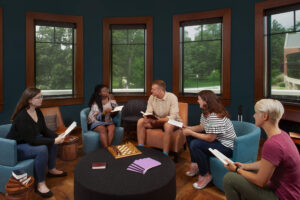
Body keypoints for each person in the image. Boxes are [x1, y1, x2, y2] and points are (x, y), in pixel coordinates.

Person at [223, 99, 300, 200]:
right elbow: (267, 163)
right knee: (243, 173)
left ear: (265, 116)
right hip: (286, 189)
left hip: (284, 196)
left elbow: (261, 182)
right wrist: (245, 166)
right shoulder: (282, 135)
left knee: (229, 179)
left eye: (256, 113)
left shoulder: (272, 144)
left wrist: (237, 169)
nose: (254, 116)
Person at [6, 88, 66, 198]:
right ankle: (41, 184)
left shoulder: (37, 111)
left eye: (41, 96)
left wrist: (57, 137)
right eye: (38, 97)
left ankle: (52, 170)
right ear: (29, 100)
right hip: (14, 148)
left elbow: (45, 130)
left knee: (52, 142)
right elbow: (32, 140)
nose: (41, 99)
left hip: (27, 143)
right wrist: (53, 140)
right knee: (42, 148)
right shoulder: (22, 117)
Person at [182, 90, 236, 189]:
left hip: (227, 147)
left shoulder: (215, 116)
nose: (197, 101)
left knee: (195, 144)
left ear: (205, 102)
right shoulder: (205, 112)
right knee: (190, 136)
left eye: (199, 99)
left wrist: (191, 132)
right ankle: (195, 164)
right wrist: (188, 128)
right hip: (217, 141)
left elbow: (210, 138)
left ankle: (205, 175)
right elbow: (202, 127)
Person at [137, 80, 181, 155]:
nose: (151, 91)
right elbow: (148, 111)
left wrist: (158, 120)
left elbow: (173, 116)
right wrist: (146, 117)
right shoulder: (152, 97)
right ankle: (141, 149)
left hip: (173, 122)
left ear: (160, 90)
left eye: (153, 89)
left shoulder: (172, 97)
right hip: (157, 121)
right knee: (140, 121)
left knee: (167, 125)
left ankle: (165, 154)